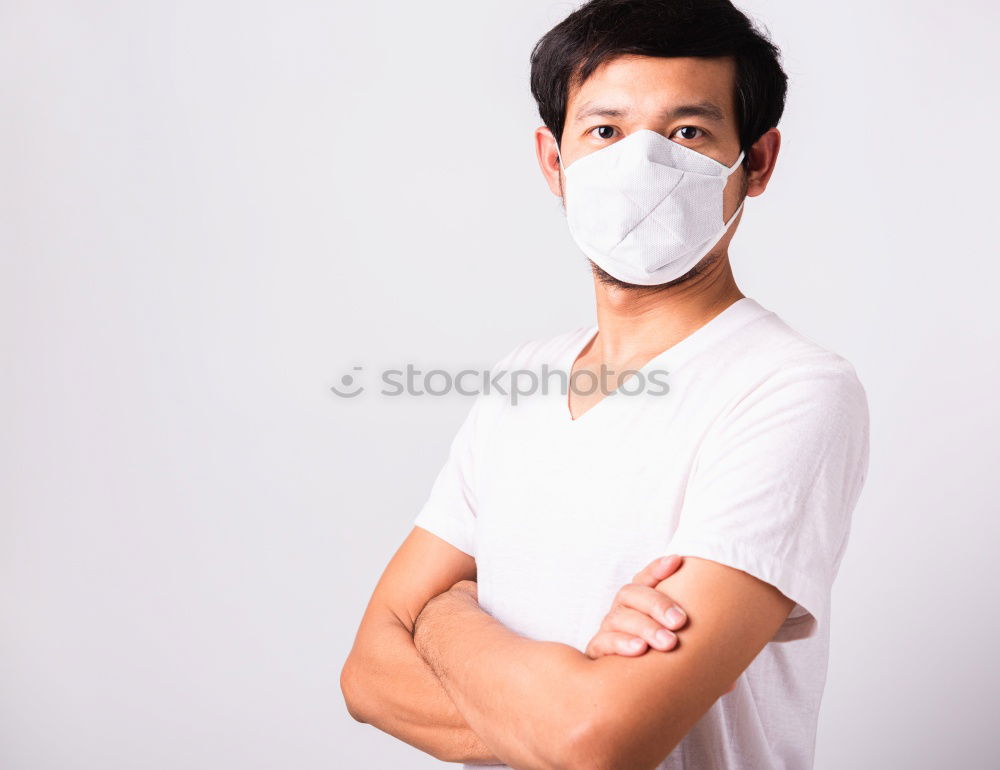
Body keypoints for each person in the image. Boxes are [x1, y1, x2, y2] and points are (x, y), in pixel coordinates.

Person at [340, 1, 870, 767]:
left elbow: (600, 741)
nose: (641, 163)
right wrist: (561, 704)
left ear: (755, 162)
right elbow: (365, 678)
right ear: (554, 162)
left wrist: (441, 616)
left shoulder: (791, 390)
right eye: (605, 131)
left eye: (687, 132)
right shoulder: (522, 379)